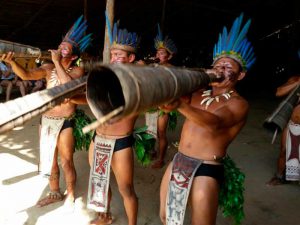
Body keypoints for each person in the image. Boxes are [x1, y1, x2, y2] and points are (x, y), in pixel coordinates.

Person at [159, 13, 255, 225]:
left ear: (240, 75)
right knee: (166, 217)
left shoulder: (238, 103)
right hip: (180, 161)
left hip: (207, 166)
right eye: (218, 65)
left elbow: (214, 123)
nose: (221, 70)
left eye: (229, 67)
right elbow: (172, 84)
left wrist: (180, 105)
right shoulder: (197, 93)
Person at [0, 15, 92, 207]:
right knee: (49, 161)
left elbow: (67, 86)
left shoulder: (77, 71)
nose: (59, 49)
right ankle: (55, 192)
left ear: (73, 56)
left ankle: (72, 194)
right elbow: (25, 75)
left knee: (66, 161)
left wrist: (57, 62)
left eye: (65, 48)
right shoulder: (48, 67)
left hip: (65, 122)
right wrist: (12, 62)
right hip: (47, 120)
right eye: (60, 45)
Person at [87, 21, 140, 225]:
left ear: (131, 58)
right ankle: (104, 216)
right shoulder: (104, 78)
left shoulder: (138, 81)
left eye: (119, 55)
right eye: (112, 54)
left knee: (126, 188)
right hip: (98, 138)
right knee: (100, 182)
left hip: (120, 143)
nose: (114, 58)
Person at [144, 24, 178, 169]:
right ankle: (152, 150)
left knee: (161, 132)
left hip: (164, 104)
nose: (158, 55)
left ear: (169, 56)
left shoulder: (171, 68)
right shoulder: (153, 66)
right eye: (157, 52)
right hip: (152, 103)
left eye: (162, 53)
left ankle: (161, 158)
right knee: (150, 130)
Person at [267, 74, 300, 185]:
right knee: (284, 151)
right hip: (292, 124)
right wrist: (298, 83)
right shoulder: (295, 78)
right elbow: (279, 92)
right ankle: (279, 176)